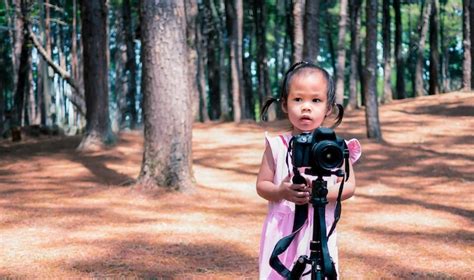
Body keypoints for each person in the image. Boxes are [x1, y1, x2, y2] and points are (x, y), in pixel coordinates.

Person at [256, 61, 362, 279]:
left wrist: (322, 194)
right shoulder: (277, 146)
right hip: (282, 232)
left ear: (328, 107)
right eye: (298, 99)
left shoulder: (335, 147)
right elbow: (262, 185)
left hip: (320, 229)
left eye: (316, 100)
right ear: (284, 104)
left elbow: (349, 186)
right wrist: (281, 192)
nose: (306, 107)